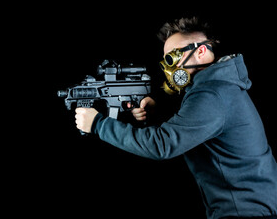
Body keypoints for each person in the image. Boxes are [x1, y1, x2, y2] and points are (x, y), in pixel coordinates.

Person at [74, 17, 277, 219]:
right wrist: (157, 114)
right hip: (247, 205)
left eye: (173, 57)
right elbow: (196, 127)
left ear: (201, 51)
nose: (169, 69)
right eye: (166, 62)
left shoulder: (212, 94)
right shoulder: (220, 87)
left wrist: (98, 124)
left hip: (243, 211)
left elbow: (162, 146)